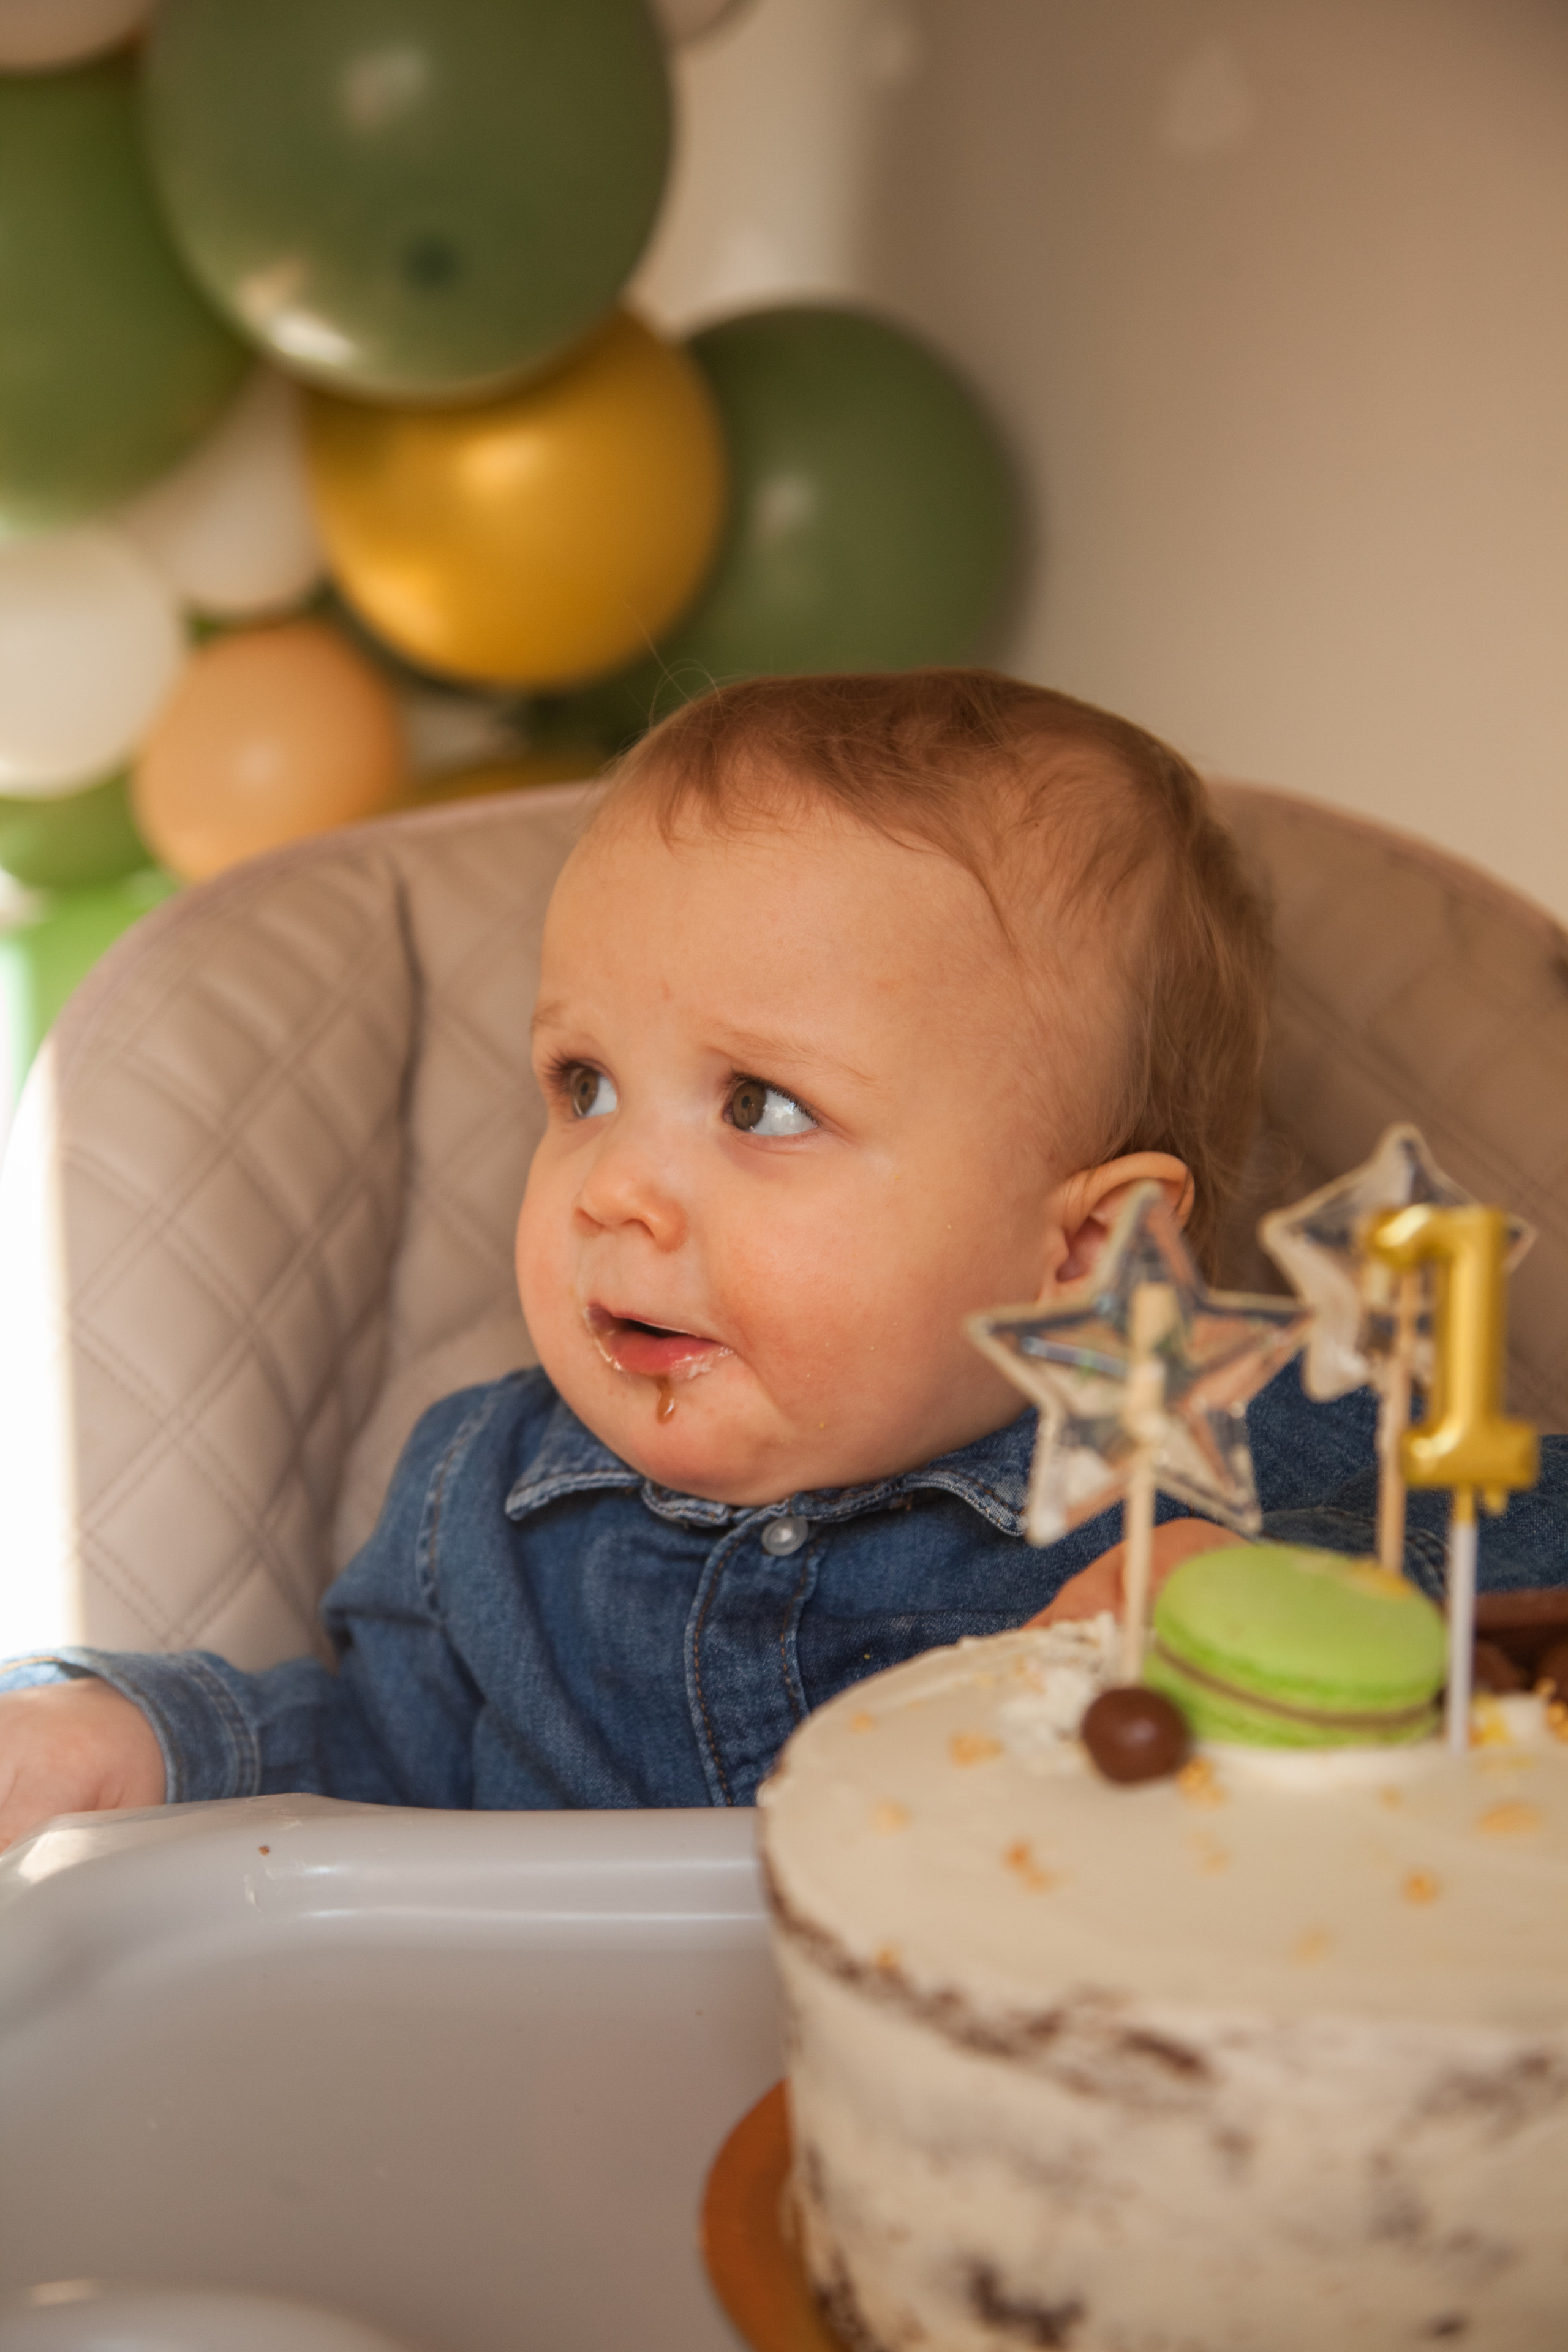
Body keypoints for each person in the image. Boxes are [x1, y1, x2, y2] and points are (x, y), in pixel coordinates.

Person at [0, 671, 1561, 1845]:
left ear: (1089, 1245)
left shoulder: (1268, 1464)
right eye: (583, 1086)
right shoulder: (478, 1504)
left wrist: (1311, 1617)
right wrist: (134, 1749)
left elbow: (1522, 1627)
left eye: (760, 1105)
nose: (614, 1188)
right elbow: (369, 1785)